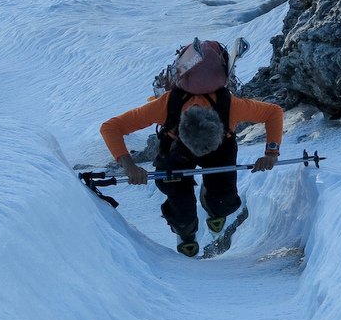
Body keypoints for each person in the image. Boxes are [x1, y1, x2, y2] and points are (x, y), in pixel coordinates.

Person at [100, 51, 283, 257]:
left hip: (221, 147)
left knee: (224, 202)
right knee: (180, 207)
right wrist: (129, 166)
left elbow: (273, 113)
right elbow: (111, 127)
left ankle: (212, 201)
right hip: (176, 150)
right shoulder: (165, 106)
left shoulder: (231, 106)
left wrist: (271, 153)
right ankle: (185, 230)